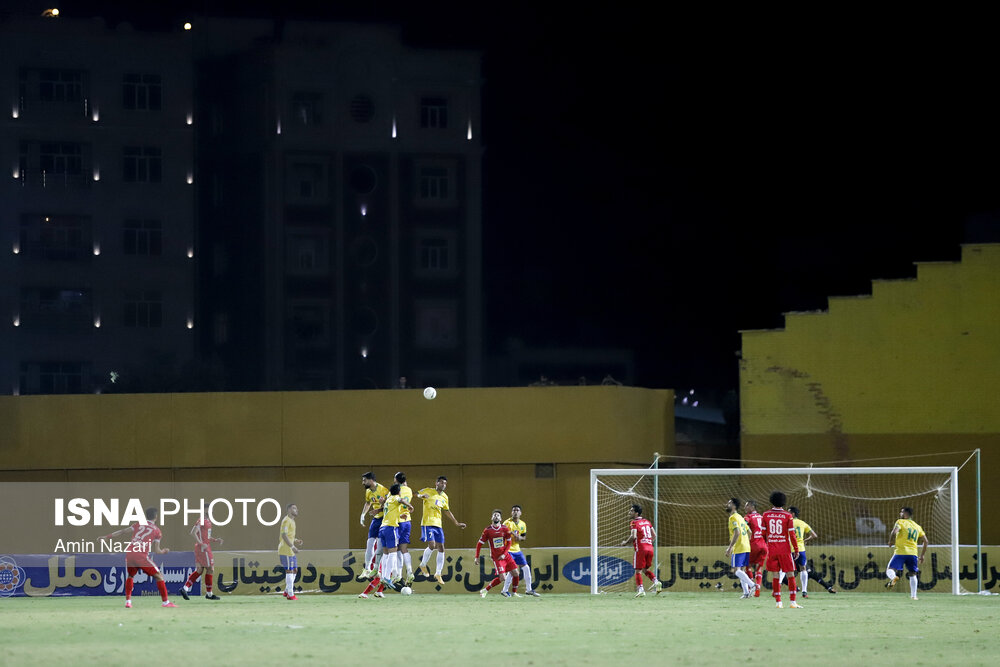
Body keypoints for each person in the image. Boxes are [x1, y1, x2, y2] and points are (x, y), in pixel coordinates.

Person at [102, 507, 176, 608]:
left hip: (130, 553)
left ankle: (128, 602)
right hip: (141, 556)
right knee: (159, 576)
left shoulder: (138, 524)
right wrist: (164, 551)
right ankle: (166, 602)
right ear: (156, 517)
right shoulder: (157, 531)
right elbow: (157, 551)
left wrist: (107, 537)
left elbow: (123, 531)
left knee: (130, 576)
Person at [359, 484, 413, 598]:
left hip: (382, 528)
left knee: (386, 554)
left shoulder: (389, 501)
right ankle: (387, 577)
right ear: (398, 492)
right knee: (393, 553)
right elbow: (402, 500)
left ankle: (383, 576)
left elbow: (392, 512)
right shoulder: (395, 498)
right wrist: (410, 506)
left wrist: (400, 515)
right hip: (390, 528)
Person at [416, 476, 466, 584]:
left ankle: (438, 573)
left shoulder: (444, 497)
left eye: (445, 483)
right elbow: (415, 493)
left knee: (442, 548)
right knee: (432, 545)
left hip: (438, 525)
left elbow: (447, 511)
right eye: (442, 483)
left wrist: (456, 523)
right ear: (436, 483)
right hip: (427, 523)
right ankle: (423, 565)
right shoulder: (428, 490)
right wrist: (421, 495)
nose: (443, 485)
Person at [761, 491, 801, 609]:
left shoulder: (766, 515)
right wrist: (796, 550)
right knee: (790, 574)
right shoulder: (787, 515)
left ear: (771, 501)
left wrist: (767, 544)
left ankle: (778, 603)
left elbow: (763, 534)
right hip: (785, 549)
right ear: (783, 502)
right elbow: (792, 535)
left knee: (775, 575)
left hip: (772, 549)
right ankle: (793, 602)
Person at [179, 504, 224, 601]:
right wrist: (201, 543)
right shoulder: (202, 520)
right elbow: (193, 532)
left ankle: (185, 588)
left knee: (199, 570)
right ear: (205, 510)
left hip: (201, 547)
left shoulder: (207, 521)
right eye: (209, 509)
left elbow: (205, 536)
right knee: (210, 569)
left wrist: (215, 540)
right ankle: (209, 594)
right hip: (204, 548)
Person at [787, 506, 836, 597]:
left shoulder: (786, 523)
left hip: (789, 550)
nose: (787, 514)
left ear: (792, 514)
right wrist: (806, 540)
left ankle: (782, 590)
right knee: (805, 569)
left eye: (788, 512)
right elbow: (814, 535)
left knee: (784, 570)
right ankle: (804, 591)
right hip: (800, 549)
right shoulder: (802, 523)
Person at [885, 506, 928, 600]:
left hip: (900, 552)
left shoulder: (900, 522)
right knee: (913, 574)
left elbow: (894, 532)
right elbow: (926, 541)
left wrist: (890, 541)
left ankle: (893, 578)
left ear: (905, 514)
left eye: (901, 512)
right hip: (913, 554)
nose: (900, 514)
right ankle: (914, 596)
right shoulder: (917, 526)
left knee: (889, 569)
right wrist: (922, 555)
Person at [476, 509, 519, 598]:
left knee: (516, 573)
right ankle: (485, 590)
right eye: (494, 515)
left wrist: (504, 553)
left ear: (501, 518)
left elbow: (509, 542)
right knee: (502, 578)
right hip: (497, 557)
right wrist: (477, 557)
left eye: (498, 515)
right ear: (491, 518)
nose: (496, 516)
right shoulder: (488, 530)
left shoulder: (505, 529)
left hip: (505, 555)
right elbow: (479, 543)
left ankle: (514, 593)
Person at [621, 504, 661, 597]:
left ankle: (641, 590)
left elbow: (633, 536)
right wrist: (647, 542)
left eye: (631, 511)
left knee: (638, 570)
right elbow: (654, 535)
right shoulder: (647, 521)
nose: (629, 512)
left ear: (636, 513)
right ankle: (656, 582)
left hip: (641, 549)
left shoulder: (634, 522)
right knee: (645, 569)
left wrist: (625, 543)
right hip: (650, 548)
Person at [503, 504, 541, 597]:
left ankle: (529, 590)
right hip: (508, 549)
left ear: (520, 513)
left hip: (517, 550)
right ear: (511, 512)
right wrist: (509, 535)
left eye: (517, 510)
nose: (515, 512)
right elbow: (501, 535)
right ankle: (504, 590)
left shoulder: (523, 524)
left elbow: (524, 537)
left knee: (526, 567)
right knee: (512, 571)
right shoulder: (507, 523)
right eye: (514, 510)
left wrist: (518, 537)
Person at [360, 472, 389, 579]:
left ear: (371, 480)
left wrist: (380, 507)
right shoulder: (368, 491)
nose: (363, 483)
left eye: (364, 480)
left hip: (385, 520)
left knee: (380, 546)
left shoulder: (383, 490)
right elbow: (368, 503)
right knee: (370, 543)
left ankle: (376, 569)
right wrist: (362, 514)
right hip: (376, 519)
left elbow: (389, 505)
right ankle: (367, 569)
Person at [725, 498, 755, 598]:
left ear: (734, 506)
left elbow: (737, 532)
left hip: (739, 546)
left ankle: (753, 585)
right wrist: (746, 541)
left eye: (729, 503)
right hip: (746, 546)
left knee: (736, 570)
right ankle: (746, 593)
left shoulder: (733, 518)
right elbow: (750, 531)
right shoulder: (741, 517)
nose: (727, 504)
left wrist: (730, 547)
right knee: (741, 571)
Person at [743, 500, 768, 597]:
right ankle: (758, 588)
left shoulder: (748, 517)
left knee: (747, 566)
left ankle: (751, 587)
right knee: (759, 568)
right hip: (764, 545)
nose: (745, 508)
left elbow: (743, 526)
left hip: (754, 544)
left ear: (752, 506)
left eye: (747, 506)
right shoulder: (762, 517)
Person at [394, 471, 415, 585]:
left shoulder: (396, 490)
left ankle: (398, 574)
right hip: (407, 521)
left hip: (398, 521)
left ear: (396, 480)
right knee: (404, 549)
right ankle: (410, 571)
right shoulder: (409, 490)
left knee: (396, 549)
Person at [279, 503, 303, 600]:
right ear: (289, 510)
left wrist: (296, 540)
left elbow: (289, 535)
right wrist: (292, 546)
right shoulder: (286, 521)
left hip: (290, 550)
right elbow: (284, 535)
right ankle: (290, 594)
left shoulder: (292, 521)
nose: (296, 510)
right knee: (289, 571)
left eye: (296, 508)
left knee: (295, 570)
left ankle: (286, 591)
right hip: (285, 549)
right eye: (294, 508)